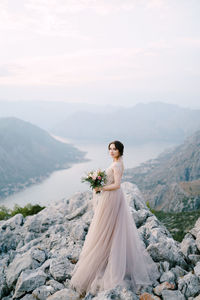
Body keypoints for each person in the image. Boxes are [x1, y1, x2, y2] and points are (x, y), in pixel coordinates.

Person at [70, 140, 159, 297]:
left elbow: (117, 184)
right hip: (111, 197)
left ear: (120, 151)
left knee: (106, 228)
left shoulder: (117, 165)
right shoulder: (117, 162)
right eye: (110, 149)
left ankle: (107, 261)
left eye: (114, 149)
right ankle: (108, 257)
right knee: (109, 228)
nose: (111, 151)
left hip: (112, 197)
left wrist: (100, 187)